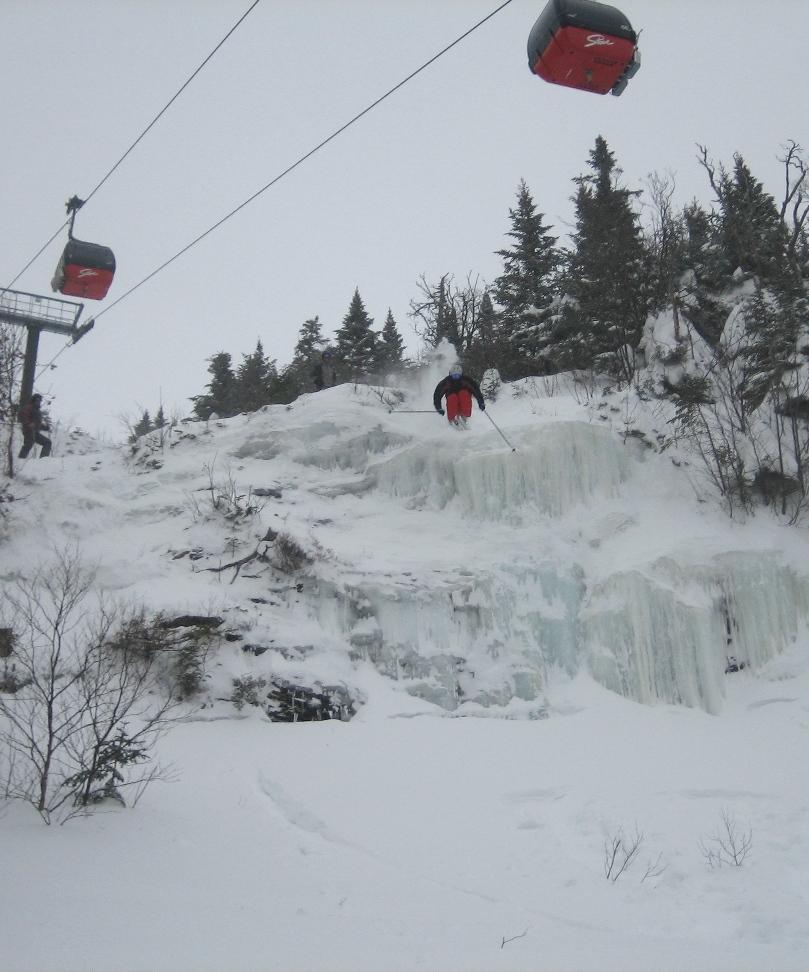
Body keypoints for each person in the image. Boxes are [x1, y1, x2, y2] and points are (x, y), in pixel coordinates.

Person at [433, 363, 485, 428]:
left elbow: (476, 390)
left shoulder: (466, 380)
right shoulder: (447, 382)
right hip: (453, 401)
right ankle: (452, 419)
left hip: (464, 401)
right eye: (454, 376)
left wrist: (481, 402)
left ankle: (464, 417)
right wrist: (439, 407)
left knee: (463, 394)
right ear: (450, 375)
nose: (456, 378)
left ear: (461, 375)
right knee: (453, 397)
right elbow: (437, 394)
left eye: (457, 376)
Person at [18, 393, 52, 459]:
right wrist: (28, 423)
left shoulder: (37, 411)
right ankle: (20, 459)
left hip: (35, 432)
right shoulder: (29, 407)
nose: (38, 402)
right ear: (33, 400)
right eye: (37, 400)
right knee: (29, 443)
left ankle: (43, 459)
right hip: (28, 430)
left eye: (40, 400)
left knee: (47, 442)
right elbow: (23, 415)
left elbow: (37, 424)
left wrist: (46, 427)